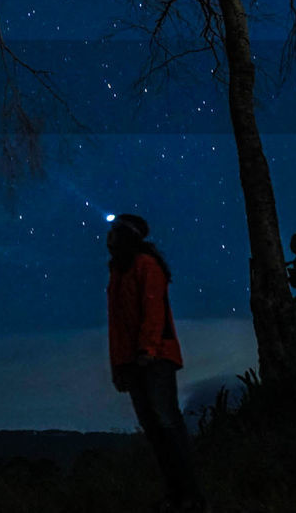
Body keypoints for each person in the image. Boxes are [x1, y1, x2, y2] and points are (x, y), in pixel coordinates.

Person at [106, 213, 207, 512]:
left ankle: (191, 496)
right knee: (154, 429)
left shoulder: (146, 266)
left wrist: (147, 350)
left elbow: (153, 311)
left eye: (115, 233)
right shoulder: (118, 273)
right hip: (135, 361)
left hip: (155, 357)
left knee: (166, 423)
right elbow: (117, 327)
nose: (109, 239)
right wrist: (120, 366)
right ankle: (176, 495)